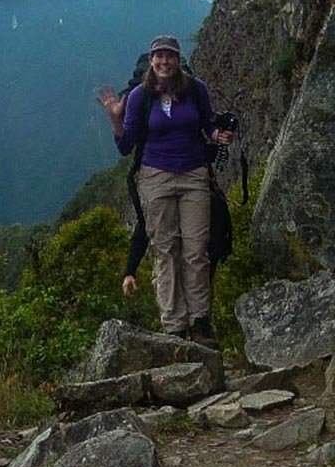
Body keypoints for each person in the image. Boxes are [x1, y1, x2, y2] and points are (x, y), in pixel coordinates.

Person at [96, 35, 233, 347]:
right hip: (155, 176)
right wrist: (114, 119)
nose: (164, 62)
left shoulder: (195, 89)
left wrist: (217, 135)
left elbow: (206, 124)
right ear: (152, 60)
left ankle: (200, 322)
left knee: (196, 250)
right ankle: (173, 325)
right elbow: (125, 145)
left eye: (169, 56)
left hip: (193, 174)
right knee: (165, 250)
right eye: (159, 56)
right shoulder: (139, 96)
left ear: (177, 59)